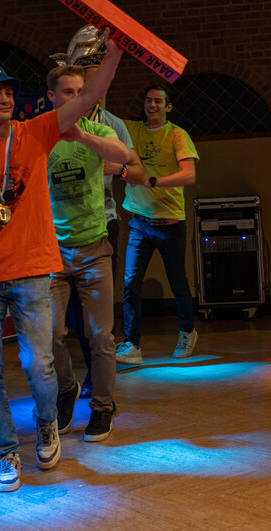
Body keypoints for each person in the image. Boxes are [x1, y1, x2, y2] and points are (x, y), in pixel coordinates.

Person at [0, 33, 123, 492]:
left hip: (34, 270)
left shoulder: (35, 132)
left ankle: (46, 425)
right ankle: (6, 451)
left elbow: (90, 98)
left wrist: (115, 52)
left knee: (39, 364)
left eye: (9, 92)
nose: (6, 98)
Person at [50, 25, 144, 398]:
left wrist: (115, 168)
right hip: (60, 235)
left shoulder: (110, 125)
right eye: (79, 83)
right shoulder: (51, 127)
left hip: (102, 223)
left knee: (97, 319)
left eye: (94, 80)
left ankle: (98, 382)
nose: (89, 88)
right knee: (69, 315)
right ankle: (86, 373)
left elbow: (137, 171)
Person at [45, 63, 129, 443]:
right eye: (68, 92)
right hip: (53, 252)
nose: (76, 98)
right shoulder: (42, 136)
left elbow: (123, 155)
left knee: (101, 337)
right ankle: (66, 390)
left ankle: (102, 407)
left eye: (81, 91)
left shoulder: (98, 130)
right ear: (52, 97)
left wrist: (82, 135)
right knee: (50, 334)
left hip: (95, 248)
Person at [116, 85, 200, 364]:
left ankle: (187, 331)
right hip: (139, 223)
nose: (152, 105)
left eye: (158, 101)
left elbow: (189, 175)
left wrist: (153, 181)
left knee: (178, 283)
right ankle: (132, 344)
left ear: (168, 107)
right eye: (148, 100)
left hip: (170, 223)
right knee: (130, 283)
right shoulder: (133, 130)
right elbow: (100, 114)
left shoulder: (177, 135)